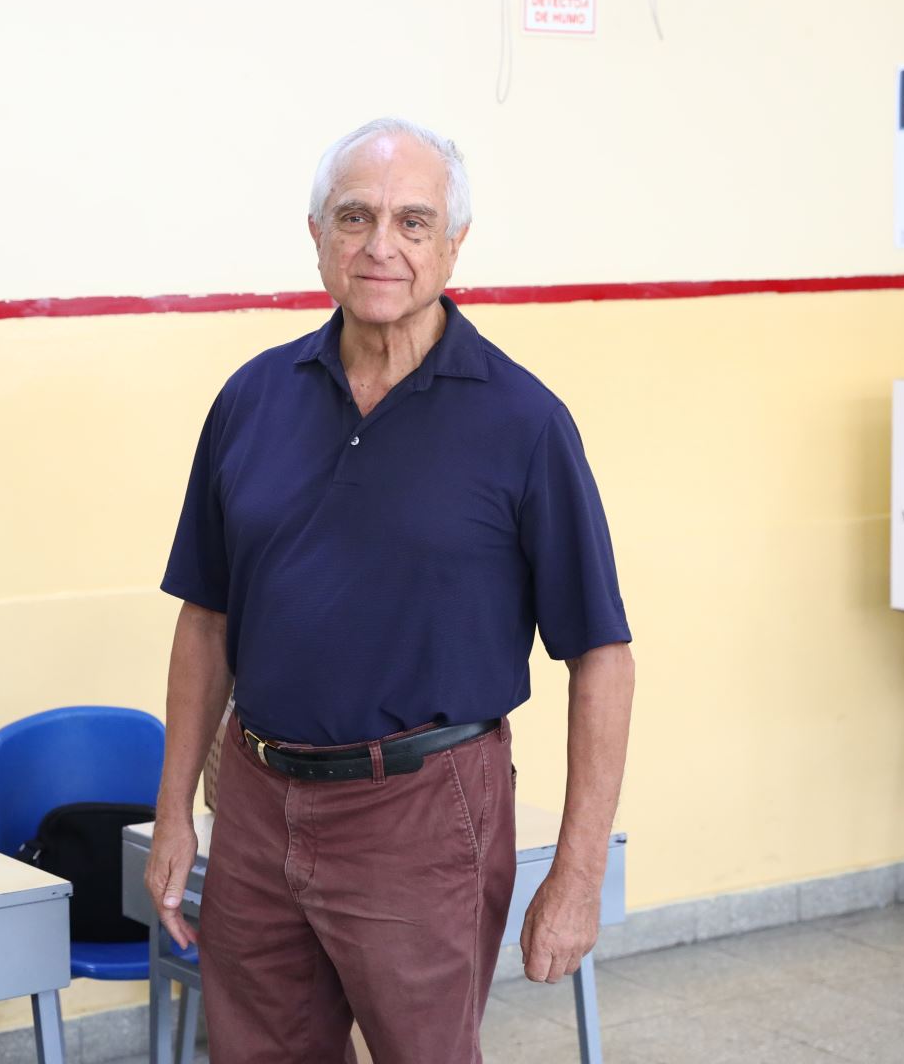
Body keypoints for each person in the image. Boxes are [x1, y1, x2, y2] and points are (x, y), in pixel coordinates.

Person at [146, 117, 636, 1062]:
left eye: (414, 222)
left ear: (455, 244)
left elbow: (602, 658)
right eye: (356, 217)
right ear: (317, 236)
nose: (382, 246)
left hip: (423, 814)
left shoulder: (523, 422)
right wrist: (175, 810)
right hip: (251, 800)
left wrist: (576, 874)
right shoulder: (251, 399)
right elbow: (204, 621)